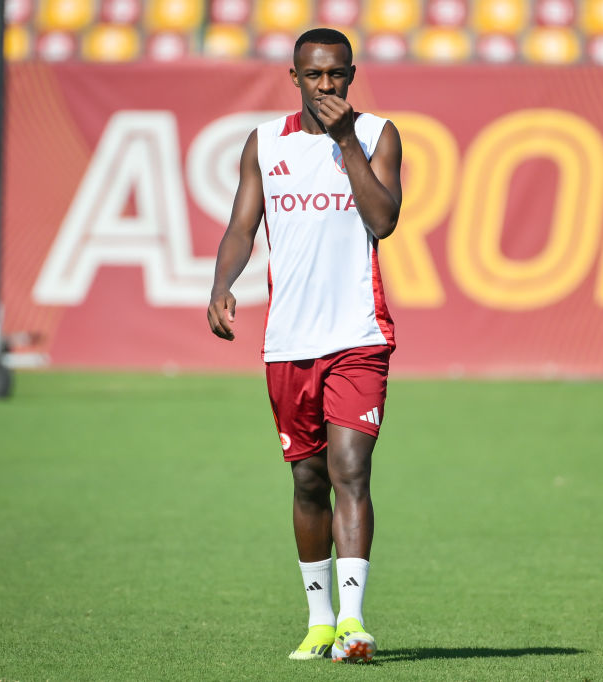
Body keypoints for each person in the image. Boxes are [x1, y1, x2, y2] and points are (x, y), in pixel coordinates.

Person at [207, 27, 402, 664]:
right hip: (289, 340)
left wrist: (346, 142)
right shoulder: (265, 143)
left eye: (337, 74)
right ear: (295, 77)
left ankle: (353, 621)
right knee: (308, 479)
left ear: (352, 74)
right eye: (315, 75)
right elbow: (242, 225)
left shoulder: (376, 136)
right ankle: (319, 623)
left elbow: (383, 220)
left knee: (351, 469)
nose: (327, 86)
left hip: (357, 336)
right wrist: (220, 285)